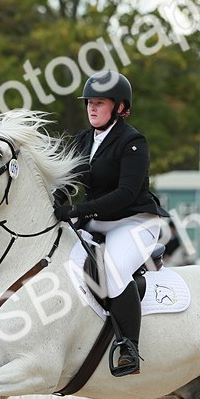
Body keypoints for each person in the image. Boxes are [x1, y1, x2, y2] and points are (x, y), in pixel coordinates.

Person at [54, 71, 168, 377]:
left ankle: (128, 346)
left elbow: (126, 193)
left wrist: (80, 211)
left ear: (119, 107)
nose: (91, 108)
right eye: (89, 102)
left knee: (114, 272)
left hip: (135, 221)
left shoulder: (132, 141)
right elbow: (70, 180)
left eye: (99, 103)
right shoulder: (82, 139)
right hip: (98, 221)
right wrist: (56, 201)